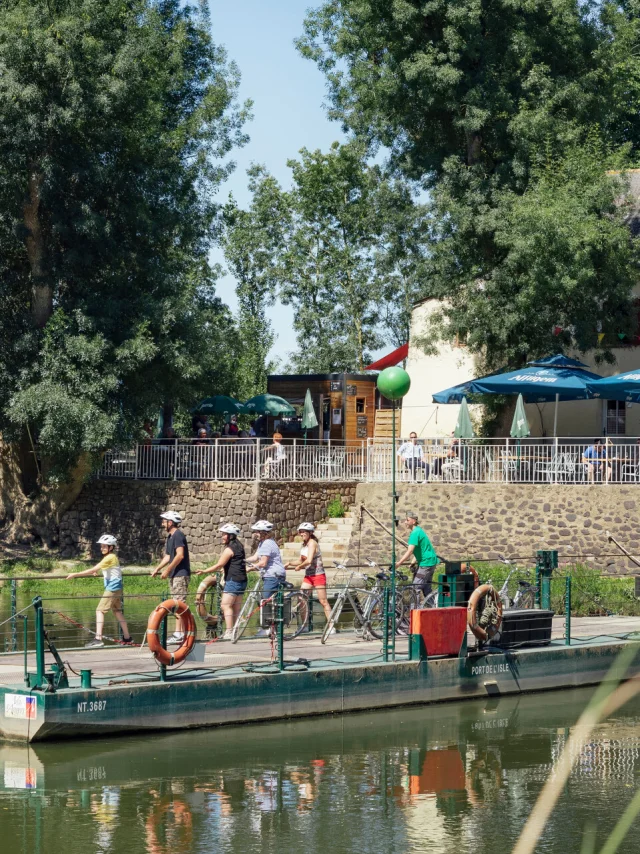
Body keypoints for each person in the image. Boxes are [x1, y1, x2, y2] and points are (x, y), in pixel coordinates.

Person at [66, 534, 134, 648]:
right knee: (117, 612)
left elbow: (94, 568)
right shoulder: (110, 557)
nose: (102, 548)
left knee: (100, 611)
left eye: (104, 546)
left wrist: (75, 574)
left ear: (111, 547)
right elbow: (106, 569)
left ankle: (98, 639)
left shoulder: (110, 557)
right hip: (117, 587)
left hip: (112, 588)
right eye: (101, 546)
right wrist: (97, 571)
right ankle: (127, 638)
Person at [195, 524, 247, 640]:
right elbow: (234, 563)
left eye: (224, 534)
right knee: (236, 608)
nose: (222, 537)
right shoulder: (239, 546)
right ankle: (235, 632)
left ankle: (229, 632)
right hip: (242, 580)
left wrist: (204, 571)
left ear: (231, 536)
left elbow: (219, 564)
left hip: (233, 580)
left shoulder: (229, 549)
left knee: (225, 605)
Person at [151, 511, 191, 644]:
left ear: (170, 522)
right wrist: (158, 568)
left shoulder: (178, 535)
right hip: (174, 574)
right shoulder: (170, 537)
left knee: (179, 603)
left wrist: (167, 570)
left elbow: (180, 555)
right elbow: (168, 556)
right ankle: (179, 633)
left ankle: (179, 634)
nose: (162, 523)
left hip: (180, 574)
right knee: (175, 603)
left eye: (164, 521)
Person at [286, 522, 334, 632]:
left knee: (323, 601)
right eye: (300, 532)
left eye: (304, 532)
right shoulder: (304, 544)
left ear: (310, 533)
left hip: (318, 575)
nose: (302, 533)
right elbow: (301, 560)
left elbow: (309, 560)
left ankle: (332, 626)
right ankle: (305, 626)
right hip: (308, 576)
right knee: (301, 599)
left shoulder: (312, 543)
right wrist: (289, 563)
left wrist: (299, 566)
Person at [247, 519, 286, 637]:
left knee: (265, 601)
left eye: (257, 532)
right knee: (266, 601)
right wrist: (240, 561)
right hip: (271, 575)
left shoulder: (267, 543)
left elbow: (263, 562)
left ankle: (268, 628)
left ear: (264, 532)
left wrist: (249, 568)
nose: (256, 534)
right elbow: (255, 557)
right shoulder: (263, 543)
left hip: (273, 576)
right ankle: (272, 627)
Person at [397, 512, 439, 598]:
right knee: (427, 588)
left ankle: (414, 609)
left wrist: (398, 563)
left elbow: (410, 551)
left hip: (426, 564)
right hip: (430, 561)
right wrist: (413, 562)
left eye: (407, 520)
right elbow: (421, 549)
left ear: (414, 521)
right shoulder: (419, 530)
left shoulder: (415, 533)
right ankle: (432, 607)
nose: (405, 522)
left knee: (415, 587)